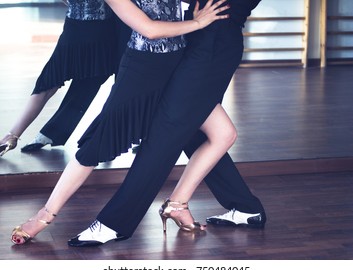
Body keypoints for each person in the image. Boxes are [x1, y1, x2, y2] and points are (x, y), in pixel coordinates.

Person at [10, 0, 230, 245]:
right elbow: (149, 29)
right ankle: (45, 214)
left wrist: (193, 17)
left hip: (181, 68)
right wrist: (197, 22)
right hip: (142, 71)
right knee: (96, 145)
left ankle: (177, 204)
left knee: (224, 134)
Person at [64, 0, 266, 247]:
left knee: (166, 134)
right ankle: (244, 207)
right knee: (194, 133)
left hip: (212, 47)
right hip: (198, 40)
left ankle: (114, 223)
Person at [0, 0, 130, 156]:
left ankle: (12, 136)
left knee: (50, 83)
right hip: (100, 31)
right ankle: (104, 137)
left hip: (78, 28)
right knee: (100, 82)